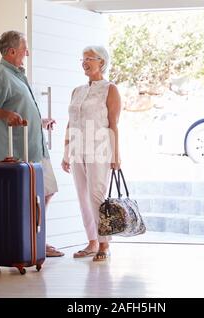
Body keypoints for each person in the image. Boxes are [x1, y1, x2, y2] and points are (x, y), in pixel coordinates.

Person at [0, 30, 64, 257]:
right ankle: (31, 243)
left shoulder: (18, 74)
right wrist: (5, 114)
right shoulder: (0, 74)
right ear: (12, 51)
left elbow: (20, 108)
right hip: (18, 151)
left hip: (36, 147)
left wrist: (40, 121)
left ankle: (35, 240)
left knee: (45, 193)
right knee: (29, 197)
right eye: (25, 48)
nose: (28, 52)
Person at [61, 46, 122, 262]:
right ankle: (92, 241)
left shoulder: (109, 89)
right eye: (83, 59)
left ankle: (104, 243)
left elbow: (113, 124)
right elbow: (71, 122)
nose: (85, 62)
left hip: (100, 149)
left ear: (101, 62)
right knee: (83, 197)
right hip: (77, 150)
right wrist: (66, 151)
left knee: (97, 196)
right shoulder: (77, 91)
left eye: (89, 59)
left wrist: (116, 156)